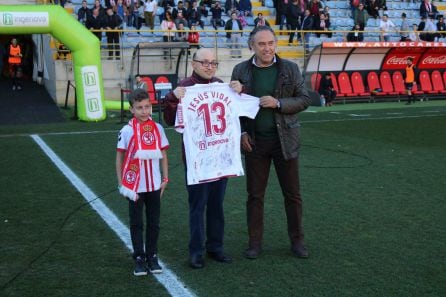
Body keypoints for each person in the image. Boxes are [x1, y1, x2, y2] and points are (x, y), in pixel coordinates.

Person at [230, 26, 312, 260]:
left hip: (285, 141)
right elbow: (234, 108)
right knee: (255, 196)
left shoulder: (290, 68)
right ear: (252, 46)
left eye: (270, 43)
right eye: (261, 44)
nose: (267, 48)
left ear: (276, 44)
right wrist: (242, 134)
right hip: (255, 143)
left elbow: (304, 99)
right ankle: (254, 243)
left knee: (293, 195)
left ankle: (297, 241)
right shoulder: (240, 69)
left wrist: (278, 103)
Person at [163, 48, 233, 269]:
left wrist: (241, 90)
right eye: (205, 62)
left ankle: (216, 247)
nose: (209, 66)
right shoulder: (184, 88)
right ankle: (196, 251)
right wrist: (173, 98)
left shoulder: (222, 85)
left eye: (214, 63)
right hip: (197, 160)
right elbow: (169, 119)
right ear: (193, 64)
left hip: (220, 158)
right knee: (197, 206)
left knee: (217, 205)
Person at [116, 89, 169, 276]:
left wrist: (165, 179)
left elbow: (163, 155)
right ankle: (139, 257)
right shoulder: (126, 130)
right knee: (136, 223)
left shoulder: (157, 128)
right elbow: (119, 157)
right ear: (131, 109)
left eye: (147, 107)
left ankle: (152, 256)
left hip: (154, 185)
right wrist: (122, 184)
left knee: (154, 223)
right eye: (139, 108)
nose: (144, 111)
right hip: (135, 186)